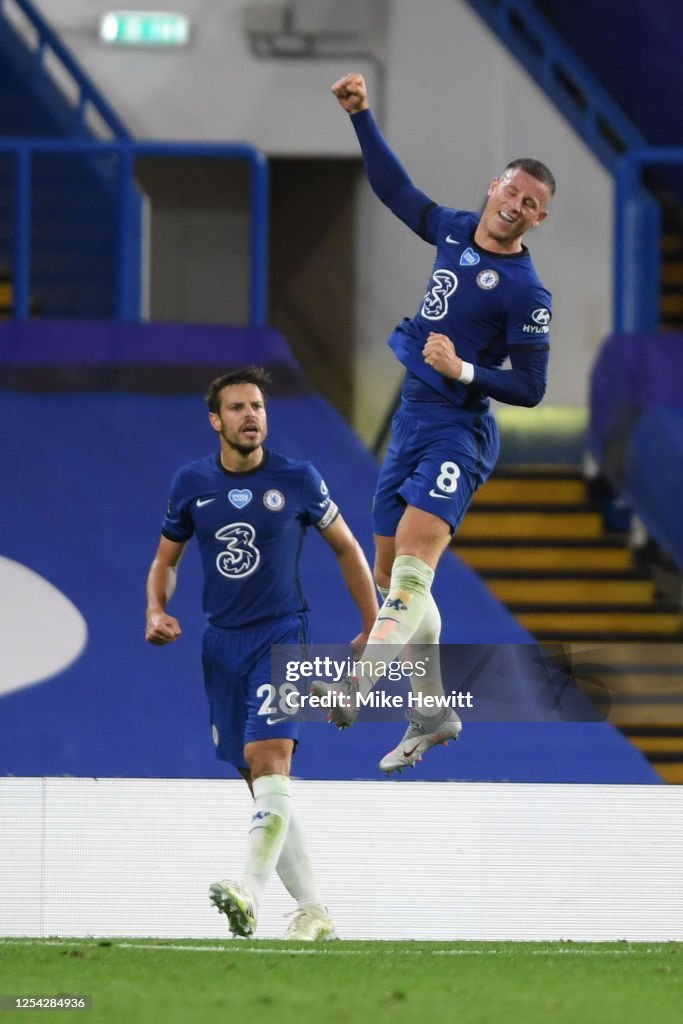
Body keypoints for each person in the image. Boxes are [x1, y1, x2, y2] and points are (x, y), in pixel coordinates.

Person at [315, 71, 555, 775]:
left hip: (458, 428)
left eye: (531, 204)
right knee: (398, 582)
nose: (515, 206)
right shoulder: (453, 228)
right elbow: (395, 192)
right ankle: (432, 710)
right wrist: (360, 117)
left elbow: (533, 387)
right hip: (410, 421)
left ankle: (361, 685)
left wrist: (464, 372)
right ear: (493, 188)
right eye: (511, 192)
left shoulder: (525, 292)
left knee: (411, 577)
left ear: (539, 219)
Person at [145, 366, 378, 940]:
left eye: (258, 407)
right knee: (257, 777)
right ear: (215, 420)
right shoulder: (191, 483)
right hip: (220, 643)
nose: (251, 416)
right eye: (238, 408)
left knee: (270, 756)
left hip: (282, 635)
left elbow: (347, 548)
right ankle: (316, 911)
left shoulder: (297, 479)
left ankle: (248, 890)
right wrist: (155, 608)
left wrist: (375, 625)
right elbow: (165, 562)